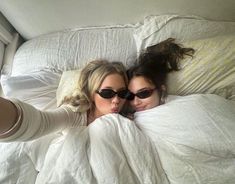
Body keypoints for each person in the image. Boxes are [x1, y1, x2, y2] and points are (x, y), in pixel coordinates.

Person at [0, 59, 129, 141]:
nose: (117, 100)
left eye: (122, 93)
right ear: (91, 94)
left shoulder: (128, 118)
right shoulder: (75, 114)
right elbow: (41, 123)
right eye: (107, 93)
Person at [126, 38, 195, 112]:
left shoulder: (185, 106)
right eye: (130, 96)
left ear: (161, 89)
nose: (135, 103)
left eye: (143, 93)